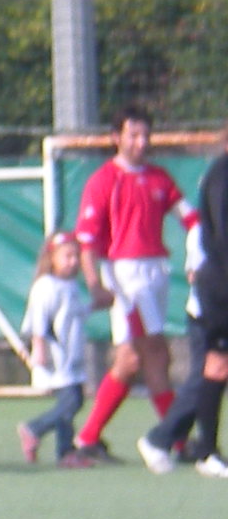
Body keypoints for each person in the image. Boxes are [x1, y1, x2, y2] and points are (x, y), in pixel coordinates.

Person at [74, 107, 193, 461]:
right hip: (127, 279)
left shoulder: (159, 177)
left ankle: (87, 438)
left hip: (156, 274)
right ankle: (178, 441)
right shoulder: (103, 181)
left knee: (129, 361)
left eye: (145, 135)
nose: (141, 143)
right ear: (116, 138)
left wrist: (201, 250)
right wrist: (96, 283)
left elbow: (190, 216)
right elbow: (87, 243)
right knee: (156, 355)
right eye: (133, 135)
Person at [137, 127, 228, 475]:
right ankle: (189, 447)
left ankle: (191, 446)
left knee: (214, 373)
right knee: (212, 371)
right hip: (219, 293)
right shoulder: (222, 175)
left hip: (216, 289)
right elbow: (220, 239)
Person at [21, 231, 95, 467]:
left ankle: (66, 453)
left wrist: (95, 305)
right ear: (52, 257)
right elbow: (38, 321)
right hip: (56, 356)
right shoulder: (45, 286)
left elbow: (74, 314)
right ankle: (33, 428)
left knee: (72, 402)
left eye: (76, 256)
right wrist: (39, 347)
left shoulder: (70, 285)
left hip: (72, 354)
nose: (73, 261)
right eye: (67, 256)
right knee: (72, 402)